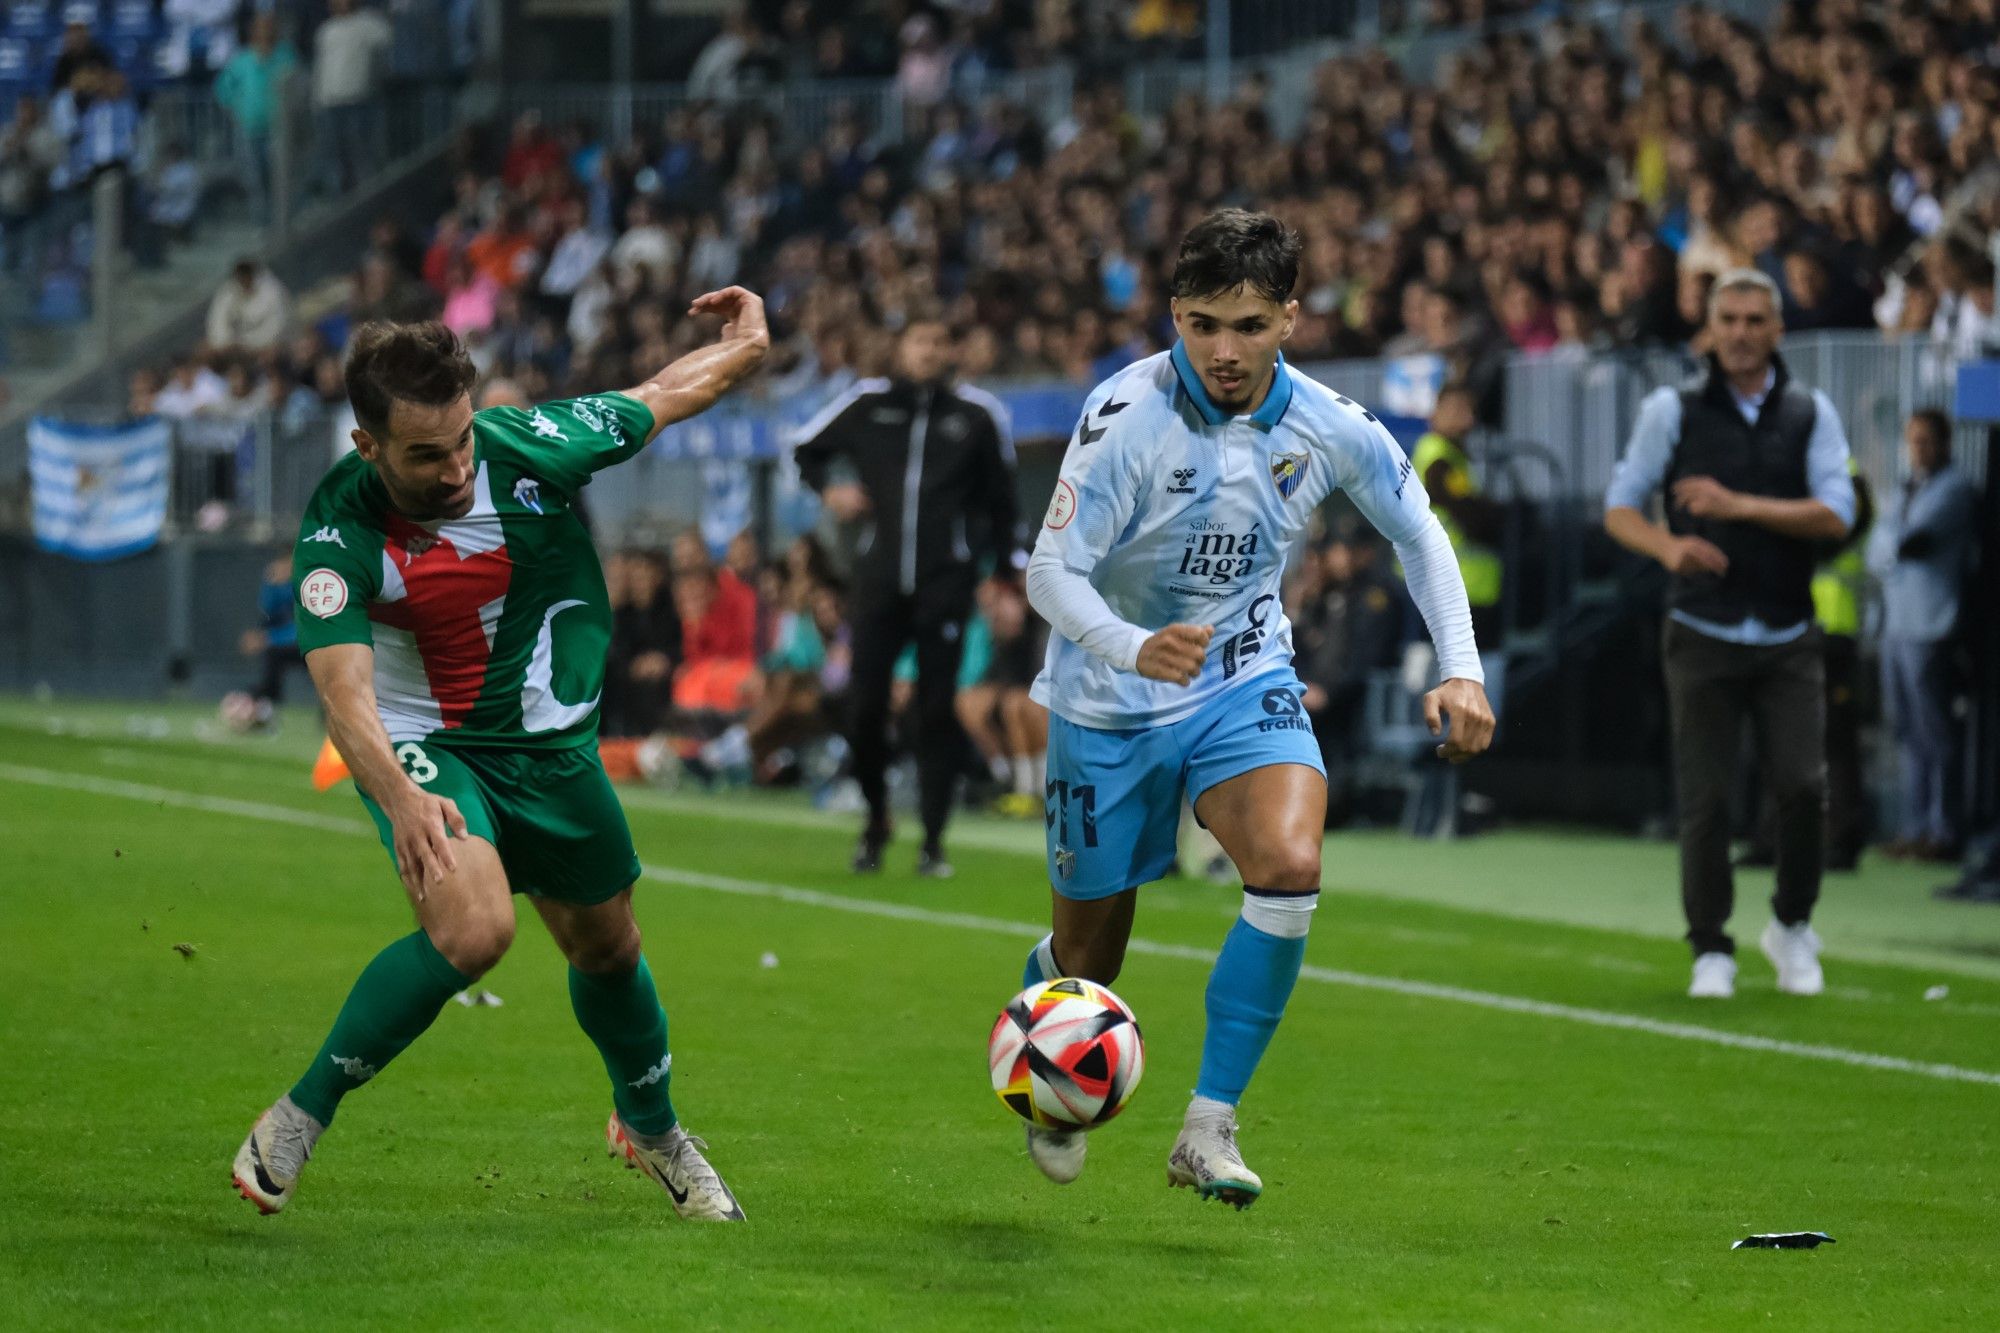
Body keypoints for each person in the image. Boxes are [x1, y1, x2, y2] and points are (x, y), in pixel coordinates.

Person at [230, 287, 770, 1223]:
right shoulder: (338, 531)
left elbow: (663, 392)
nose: (453, 469)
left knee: (608, 946)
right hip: (425, 746)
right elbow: (344, 693)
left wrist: (749, 347)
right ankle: (300, 1110)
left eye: (462, 440)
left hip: (550, 748)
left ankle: (650, 1126)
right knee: (476, 929)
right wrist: (398, 797)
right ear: (368, 448)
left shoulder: (531, 446)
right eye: (425, 454)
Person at [1015, 209, 1493, 1205]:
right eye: (1199, 324)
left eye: (1245, 324)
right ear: (1172, 317)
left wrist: (1462, 666)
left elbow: (1419, 530)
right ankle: (1050, 1037)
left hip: (1239, 677)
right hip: (1105, 697)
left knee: (1288, 865)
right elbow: (1050, 573)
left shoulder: (1329, 422)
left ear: (1289, 317)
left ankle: (1208, 1123)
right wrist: (1130, 643)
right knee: (1088, 957)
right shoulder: (1121, 417)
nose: (1221, 350)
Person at [1604, 268, 1856, 1000]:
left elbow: (1836, 512)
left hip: (1787, 628)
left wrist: (1735, 505)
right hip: (1700, 626)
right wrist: (1668, 547)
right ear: (1710, 330)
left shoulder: (1810, 412)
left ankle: (1791, 922)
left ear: (1778, 331)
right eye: (1730, 320)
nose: (1742, 334)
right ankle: (1710, 944)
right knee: (1707, 798)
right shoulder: (1670, 409)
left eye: (1756, 320)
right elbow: (1620, 505)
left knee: (1805, 788)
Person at [792, 317, 1020, 877]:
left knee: (936, 711)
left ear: (952, 351)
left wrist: (1006, 579)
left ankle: (934, 841)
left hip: (947, 582)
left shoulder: (977, 416)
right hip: (878, 583)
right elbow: (804, 448)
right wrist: (832, 489)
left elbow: (1004, 503)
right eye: (921, 339)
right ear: (900, 348)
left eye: (941, 340)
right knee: (863, 706)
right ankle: (876, 819)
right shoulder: (868, 404)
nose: (930, 349)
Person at [1870, 409, 1981, 862]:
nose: (1920, 450)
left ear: (1946, 443)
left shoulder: (1955, 489)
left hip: (1932, 623)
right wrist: (1891, 542)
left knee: (1937, 731)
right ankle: (1915, 827)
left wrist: (1890, 541)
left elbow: (1909, 541)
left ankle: (1944, 829)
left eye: (1928, 441)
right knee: (1907, 731)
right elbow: (1878, 549)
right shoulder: (1904, 487)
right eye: (1914, 441)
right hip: (1895, 622)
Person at [1409, 382, 1505, 646]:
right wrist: (1496, 517)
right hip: (1451, 584)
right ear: (1435, 412)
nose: (1466, 416)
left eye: (1468, 409)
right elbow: (1466, 512)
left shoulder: (1455, 454)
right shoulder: (1437, 455)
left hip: (1466, 585)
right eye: (1457, 409)